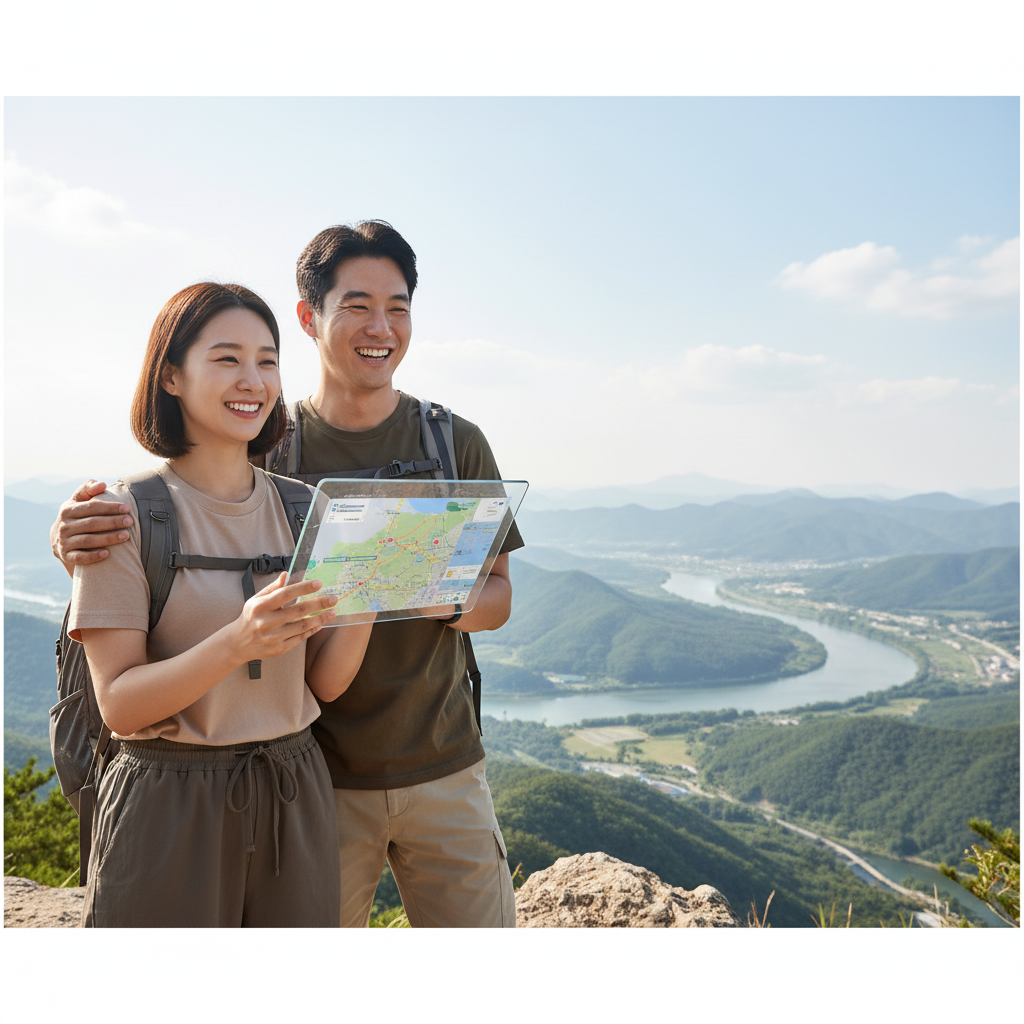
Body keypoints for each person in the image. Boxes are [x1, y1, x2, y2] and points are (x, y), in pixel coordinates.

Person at [51, 221, 525, 928]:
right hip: (311, 777)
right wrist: (71, 535)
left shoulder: (444, 443)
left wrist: (397, 581)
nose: (381, 326)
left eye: (398, 307)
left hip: (430, 758)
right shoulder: (271, 456)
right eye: (357, 305)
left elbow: (496, 599)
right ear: (313, 316)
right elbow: (182, 509)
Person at [65, 281, 374, 926]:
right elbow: (119, 704)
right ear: (172, 375)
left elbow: (323, 683)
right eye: (227, 357)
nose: (253, 380)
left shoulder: (306, 511)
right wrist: (239, 641)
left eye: (268, 360)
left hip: (294, 792)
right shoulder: (123, 515)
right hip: (169, 797)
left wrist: (370, 596)